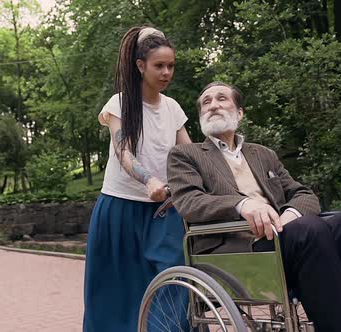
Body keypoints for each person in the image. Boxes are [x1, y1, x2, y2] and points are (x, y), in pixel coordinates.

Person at [167, 81, 341, 332]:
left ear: (240, 113)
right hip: (243, 248)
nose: (212, 105)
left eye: (221, 98)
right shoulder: (186, 155)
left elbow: (303, 194)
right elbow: (189, 201)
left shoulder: (263, 154)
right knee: (309, 228)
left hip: (292, 237)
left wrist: (290, 215)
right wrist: (242, 204)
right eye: (206, 103)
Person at [83, 26, 192, 332]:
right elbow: (123, 151)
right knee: (115, 296)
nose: (166, 72)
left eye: (171, 66)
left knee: (174, 279)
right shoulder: (120, 103)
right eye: (159, 65)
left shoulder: (173, 108)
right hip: (120, 209)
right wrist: (149, 180)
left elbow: (190, 155)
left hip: (163, 211)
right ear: (140, 65)